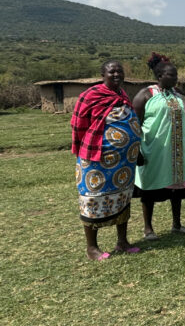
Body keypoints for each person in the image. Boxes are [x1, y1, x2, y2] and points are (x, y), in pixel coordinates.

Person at [71, 61, 141, 260]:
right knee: (92, 199)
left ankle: (122, 242)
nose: (117, 74)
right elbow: (78, 124)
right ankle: (92, 248)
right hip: (96, 160)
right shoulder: (91, 95)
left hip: (124, 163)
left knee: (123, 199)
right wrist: (84, 150)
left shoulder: (122, 94)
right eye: (112, 71)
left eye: (120, 71)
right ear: (103, 74)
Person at [133, 53, 185, 240]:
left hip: (177, 151)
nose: (176, 79)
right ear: (160, 76)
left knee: (177, 189)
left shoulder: (178, 96)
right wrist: (137, 151)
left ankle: (176, 224)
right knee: (150, 190)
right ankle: (148, 229)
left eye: (176, 75)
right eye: (171, 75)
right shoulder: (145, 95)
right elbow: (135, 124)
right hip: (154, 151)